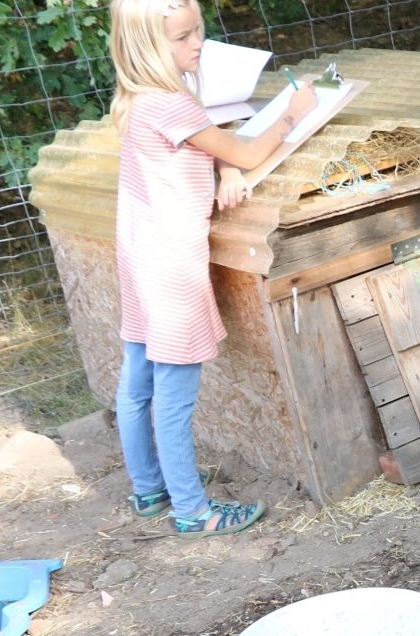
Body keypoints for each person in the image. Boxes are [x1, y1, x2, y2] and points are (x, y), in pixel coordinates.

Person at [107, 0, 316, 538]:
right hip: (172, 264)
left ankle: (149, 489)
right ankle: (194, 512)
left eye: (196, 31)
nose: (196, 44)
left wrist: (222, 167)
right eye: (181, 38)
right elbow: (246, 152)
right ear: (149, 45)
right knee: (175, 394)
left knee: (138, 381)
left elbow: (215, 147)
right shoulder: (172, 103)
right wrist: (294, 111)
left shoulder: (137, 96)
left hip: (138, 253)